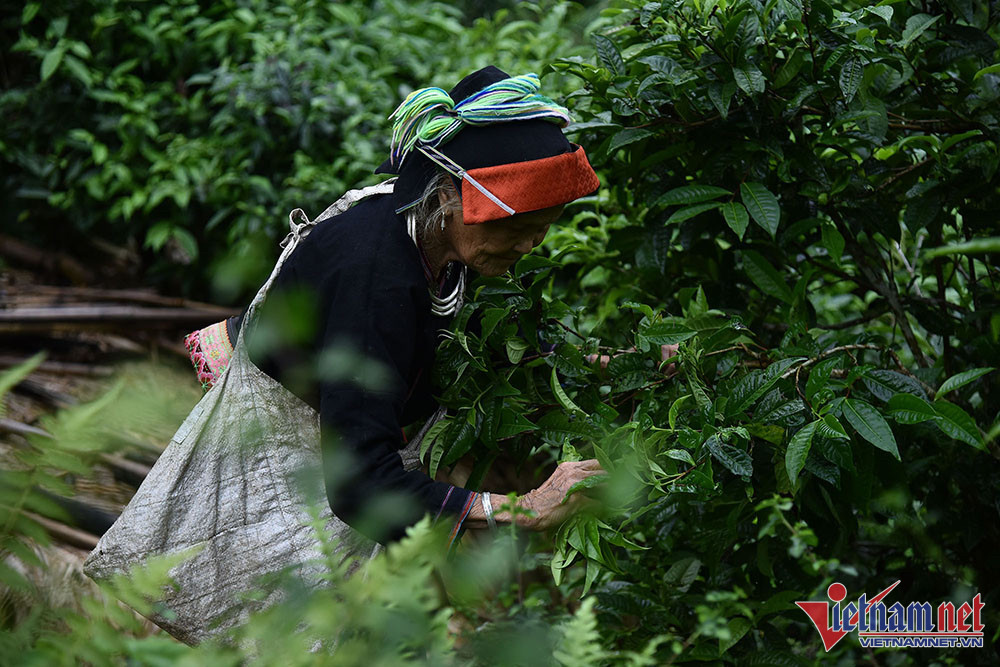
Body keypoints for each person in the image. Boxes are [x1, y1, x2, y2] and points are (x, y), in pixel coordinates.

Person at [183, 66, 606, 551]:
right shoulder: (376, 279)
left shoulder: (441, 240)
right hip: (260, 431)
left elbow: (496, 350)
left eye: (544, 226)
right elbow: (361, 483)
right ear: (449, 196)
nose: (530, 244)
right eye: (514, 227)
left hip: (334, 421)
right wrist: (523, 508)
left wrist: (615, 365)